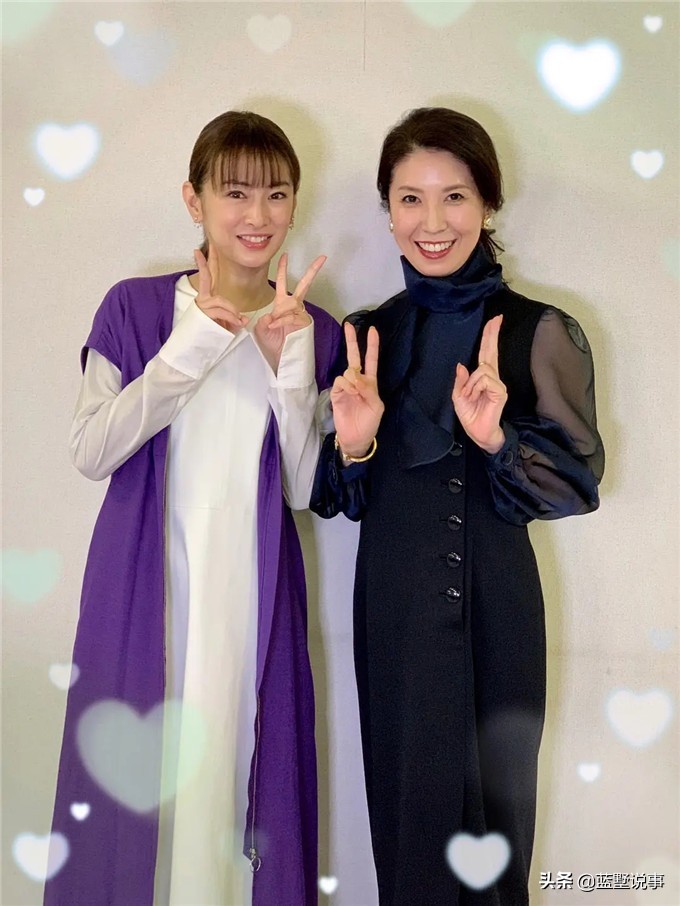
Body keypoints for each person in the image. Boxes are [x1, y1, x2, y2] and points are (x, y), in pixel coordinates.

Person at [45, 110, 340, 906]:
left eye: (276, 194)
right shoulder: (136, 309)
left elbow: (305, 489)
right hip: (146, 593)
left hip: (249, 601)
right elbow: (91, 449)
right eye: (235, 192)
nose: (257, 214)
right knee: (139, 795)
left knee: (236, 791)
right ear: (194, 199)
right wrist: (191, 349)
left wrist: (290, 368)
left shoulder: (310, 327)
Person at [312, 107, 604, 905]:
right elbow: (336, 497)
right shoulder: (367, 336)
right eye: (410, 199)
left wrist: (497, 440)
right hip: (394, 611)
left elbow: (577, 483)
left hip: (494, 611)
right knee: (407, 819)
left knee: (493, 834)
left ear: (488, 204)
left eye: (455, 197)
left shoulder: (540, 331)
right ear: (388, 211)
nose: (432, 223)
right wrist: (356, 443)